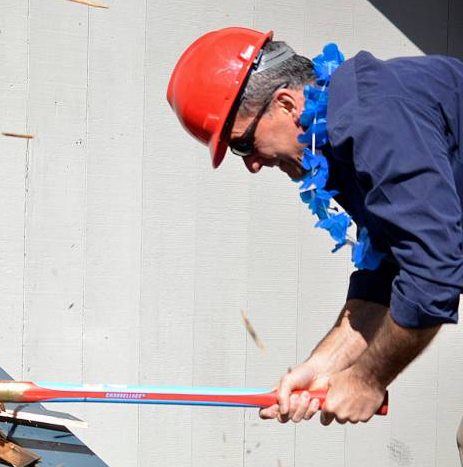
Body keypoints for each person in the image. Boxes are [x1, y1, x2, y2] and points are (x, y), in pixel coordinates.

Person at [167, 28, 463, 430]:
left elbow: (433, 275)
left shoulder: (376, 119)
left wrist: (366, 380)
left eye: (242, 144)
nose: (251, 164)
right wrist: (320, 367)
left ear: (286, 104)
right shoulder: (340, 138)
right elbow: (387, 271)